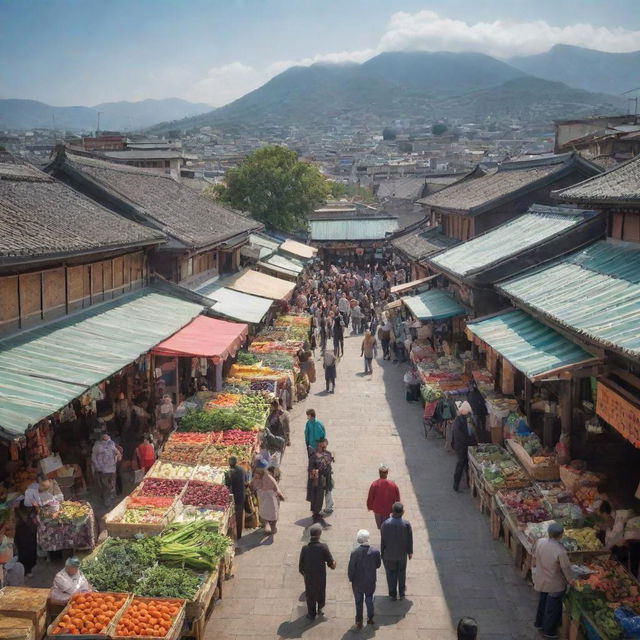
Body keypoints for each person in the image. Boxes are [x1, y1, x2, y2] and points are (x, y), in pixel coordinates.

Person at [532, 522, 574, 639]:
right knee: (553, 607)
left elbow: (534, 557)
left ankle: (539, 623)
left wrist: (534, 570)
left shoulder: (540, 542)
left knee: (543, 602)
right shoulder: (560, 551)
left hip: (541, 579)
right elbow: (566, 569)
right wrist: (571, 581)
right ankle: (549, 631)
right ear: (561, 535)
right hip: (555, 583)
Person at [298, 523, 336, 620]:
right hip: (320, 576)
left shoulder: (305, 548)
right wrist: (333, 564)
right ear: (319, 534)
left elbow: (301, 566)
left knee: (310, 594)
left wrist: (305, 575)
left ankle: (311, 614)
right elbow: (331, 563)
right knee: (320, 591)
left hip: (309, 576)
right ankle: (320, 608)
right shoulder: (323, 547)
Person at [348, 529, 381, 629]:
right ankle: (370, 618)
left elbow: (351, 568)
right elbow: (378, 565)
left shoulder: (355, 552)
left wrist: (351, 578)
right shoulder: (375, 551)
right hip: (370, 580)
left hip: (357, 582)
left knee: (358, 601)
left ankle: (359, 621)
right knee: (369, 598)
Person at [380, 502, 413, 601]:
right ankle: (402, 593)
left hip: (389, 555)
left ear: (392, 511)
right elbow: (409, 539)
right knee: (402, 573)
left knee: (390, 574)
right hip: (402, 555)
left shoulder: (385, 524)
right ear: (403, 512)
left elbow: (383, 541)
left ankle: (392, 594)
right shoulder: (406, 524)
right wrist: (410, 552)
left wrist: (382, 553)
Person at [250, 461, 284, 536]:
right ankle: (272, 527)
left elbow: (252, 485)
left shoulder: (260, 477)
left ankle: (268, 526)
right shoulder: (266, 477)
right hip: (268, 497)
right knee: (271, 513)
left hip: (265, 497)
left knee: (266, 512)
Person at [91, 432, 122, 508]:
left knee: (111, 486)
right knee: (107, 487)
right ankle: (108, 503)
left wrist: (118, 456)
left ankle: (112, 500)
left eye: (108, 437)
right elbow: (94, 459)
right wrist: (98, 468)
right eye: (105, 437)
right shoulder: (97, 446)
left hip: (111, 469)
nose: (107, 438)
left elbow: (117, 452)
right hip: (103, 471)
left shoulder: (111, 443)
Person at [452, 401, 477, 492]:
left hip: (462, 446)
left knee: (466, 465)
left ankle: (467, 482)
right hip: (461, 447)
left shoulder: (461, 419)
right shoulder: (459, 421)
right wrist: (469, 441)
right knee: (461, 464)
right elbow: (461, 436)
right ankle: (456, 484)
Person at [307, 438, 334, 523]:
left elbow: (329, 465)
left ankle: (318, 512)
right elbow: (311, 469)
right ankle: (315, 513)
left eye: (324, 445)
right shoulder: (314, 456)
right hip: (317, 480)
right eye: (321, 445)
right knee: (316, 497)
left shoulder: (328, 454)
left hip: (326, 479)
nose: (323, 447)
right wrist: (316, 473)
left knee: (322, 496)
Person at [367, 464, 401, 529]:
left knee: (380, 526)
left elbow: (371, 496)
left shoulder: (374, 484)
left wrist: (370, 506)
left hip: (377, 509)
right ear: (387, 473)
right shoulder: (393, 484)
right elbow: (397, 498)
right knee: (387, 526)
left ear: (379, 473)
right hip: (388, 509)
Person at [226, 456, 247, 541]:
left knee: (235, 516)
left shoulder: (231, 473)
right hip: (241, 495)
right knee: (239, 516)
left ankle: (235, 535)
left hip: (236, 497)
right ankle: (239, 534)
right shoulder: (242, 469)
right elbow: (246, 479)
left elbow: (228, 484)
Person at [14, 501, 38, 577]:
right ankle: (27, 570)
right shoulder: (19, 511)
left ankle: (28, 569)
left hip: (30, 533)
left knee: (30, 551)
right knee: (25, 551)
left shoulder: (31, 511)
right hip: (23, 534)